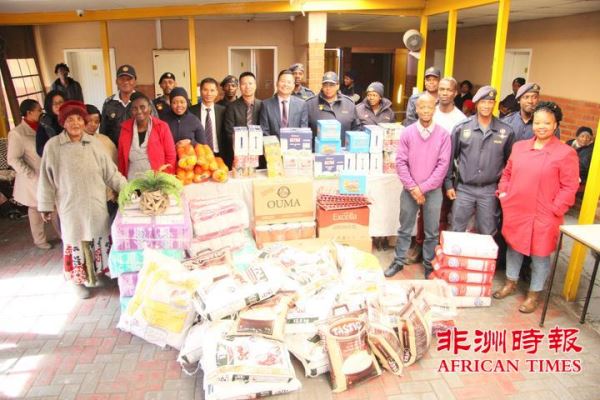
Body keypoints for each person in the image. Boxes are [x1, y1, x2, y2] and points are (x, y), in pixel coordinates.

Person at [494, 102, 579, 313]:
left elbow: (570, 186)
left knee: (540, 254)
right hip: (517, 209)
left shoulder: (565, 153)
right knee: (514, 248)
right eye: (538, 122)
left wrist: (556, 208)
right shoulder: (520, 147)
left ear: (555, 124)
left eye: (547, 123)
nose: (541, 127)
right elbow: (507, 174)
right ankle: (511, 283)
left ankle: (534, 294)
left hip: (545, 213)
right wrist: (504, 193)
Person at [37, 101, 127, 299]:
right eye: (70, 119)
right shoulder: (53, 146)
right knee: (76, 240)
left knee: (98, 237)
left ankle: (98, 274)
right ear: (63, 122)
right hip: (71, 206)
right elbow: (45, 179)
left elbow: (111, 173)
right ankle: (77, 281)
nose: (75, 123)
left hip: (95, 203)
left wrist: (127, 190)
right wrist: (45, 205)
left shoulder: (94, 143)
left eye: (79, 118)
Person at [385, 93, 451, 279]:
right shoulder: (407, 132)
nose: (426, 111)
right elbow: (400, 162)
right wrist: (413, 188)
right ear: (416, 109)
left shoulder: (443, 135)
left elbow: (443, 166)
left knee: (431, 232)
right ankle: (399, 261)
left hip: (433, 191)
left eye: (429, 107)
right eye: (422, 107)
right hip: (410, 190)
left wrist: (422, 189)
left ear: (434, 109)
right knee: (404, 229)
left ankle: (429, 265)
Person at [407, 77, 466, 264]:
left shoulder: (460, 119)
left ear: (455, 93)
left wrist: (448, 179)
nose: (444, 93)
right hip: (424, 174)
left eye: (448, 90)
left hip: (446, 174)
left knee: (440, 214)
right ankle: (419, 244)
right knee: (422, 213)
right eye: (441, 89)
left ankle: (435, 250)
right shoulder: (430, 110)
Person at [445, 85, 515, 236]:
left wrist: (504, 188)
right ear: (476, 103)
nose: (486, 106)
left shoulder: (506, 131)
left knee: (487, 232)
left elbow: (510, 163)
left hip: (489, 190)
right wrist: (448, 184)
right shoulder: (462, 128)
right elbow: (450, 158)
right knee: (456, 230)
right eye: (483, 102)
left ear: (494, 104)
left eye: (490, 102)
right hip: (464, 188)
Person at [7, 99, 60, 250]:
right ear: (29, 113)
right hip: (33, 178)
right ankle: (39, 240)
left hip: (49, 173)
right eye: (38, 110)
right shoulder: (17, 133)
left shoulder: (44, 126)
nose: (41, 112)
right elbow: (13, 159)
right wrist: (30, 174)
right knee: (36, 209)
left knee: (55, 206)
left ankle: (62, 234)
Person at [117, 92, 176, 179]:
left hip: (156, 180)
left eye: (142, 107)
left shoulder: (162, 127)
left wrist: (164, 179)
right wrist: (122, 180)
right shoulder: (125, 128)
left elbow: (170, 156)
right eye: (134, 108)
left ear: (150, 108)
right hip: (132, 180)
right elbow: (121, 158)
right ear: (131, 111)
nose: (139, 111)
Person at [101, 64, 157, 146]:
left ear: (135, 81)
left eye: (129, 79)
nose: (125, 82)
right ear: (116, 81)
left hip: (139, 148)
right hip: (115, 149)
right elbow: (103, 130)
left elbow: (155, 125)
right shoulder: (109, 103)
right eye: (122, 79)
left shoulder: (144, 101)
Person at [306, 71, 359, 145]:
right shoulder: (310, 104)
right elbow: (304, 131)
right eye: (325, 85)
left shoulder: (349, 104)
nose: (328, 88)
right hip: (318, 150)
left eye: (331, 85)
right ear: (322, 86)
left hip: (342, 149)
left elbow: (356, 129)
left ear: (338, 86)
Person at [85, 104, 119, 219]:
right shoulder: (74, 143)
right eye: (89, 121)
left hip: (108, 196)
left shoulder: (105, 140)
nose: (93, 124)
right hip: (88, 199)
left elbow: (115, 165)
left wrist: (117, 190)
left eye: (96, 122)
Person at [223, 71, 263, 166]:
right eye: (244, 84)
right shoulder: (231, 107)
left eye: (250, 83)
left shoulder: (263, 105)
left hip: (259, 154)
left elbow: (265, 128)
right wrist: (242, 146)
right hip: (238, 154)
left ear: (255, 85)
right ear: (240, 87)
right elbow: (229, 132)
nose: (247, 86)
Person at [190, 78, 229, 166]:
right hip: (199, 155)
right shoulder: (191, 111)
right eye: (205, 90)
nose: (209, 94)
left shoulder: (223, 111)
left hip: (220, 155)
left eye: (212, 90)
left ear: (216, 92)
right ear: (200, 91)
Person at [260, 69, 309, 138]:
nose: (285, 84)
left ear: (293, 85)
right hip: (273, 144)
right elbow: (264, 131)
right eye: (283, 81)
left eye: (289, 82)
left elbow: (303, 130)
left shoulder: (302, 105)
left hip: (294, 143)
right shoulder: (266, 105)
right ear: (277, 83)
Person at [35, 90, 65, 156]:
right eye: (54, 103)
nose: (58, 105)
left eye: (60, 102)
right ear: (49, 106)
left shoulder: (73, 117)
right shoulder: (44, 123)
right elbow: (40, 150)